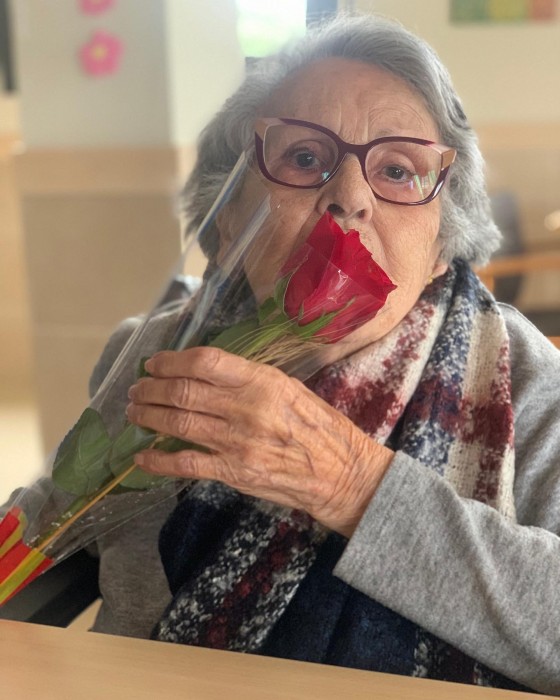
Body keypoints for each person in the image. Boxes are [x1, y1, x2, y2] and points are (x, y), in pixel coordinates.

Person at [15, 12, 560, 694]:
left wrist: (355, 486)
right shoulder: (155, 352)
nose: (349, 198)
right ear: (229, 213)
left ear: (441, 245)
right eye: (304, 158)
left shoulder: (527, 385)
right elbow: (53, 523)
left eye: (398, 170)